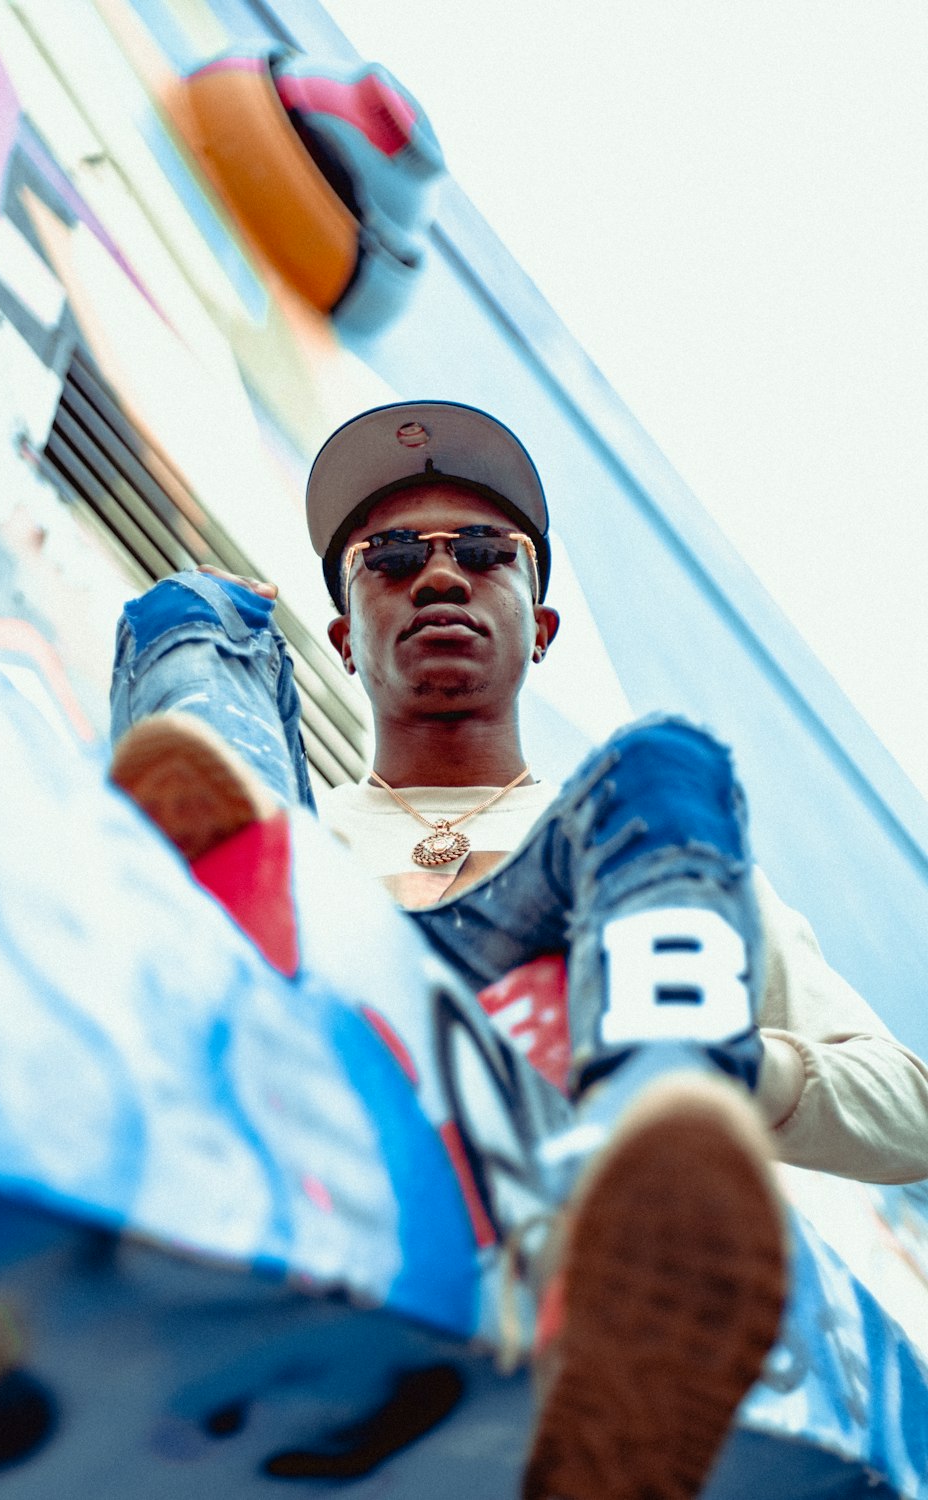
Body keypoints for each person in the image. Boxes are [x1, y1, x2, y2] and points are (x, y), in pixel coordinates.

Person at [108, 400, 928, 1500]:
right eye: (390, 555)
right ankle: (242, 932)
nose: (438, 577)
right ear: (346, 634)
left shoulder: (646, 862)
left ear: (539, 626)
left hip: (537, 1155)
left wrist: (730, 1061)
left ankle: (652, 1139)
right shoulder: (286, 816)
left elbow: (908, 1108)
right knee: (187, 610)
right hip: (316, 1001)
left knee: (668, 763)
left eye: (486, 552)